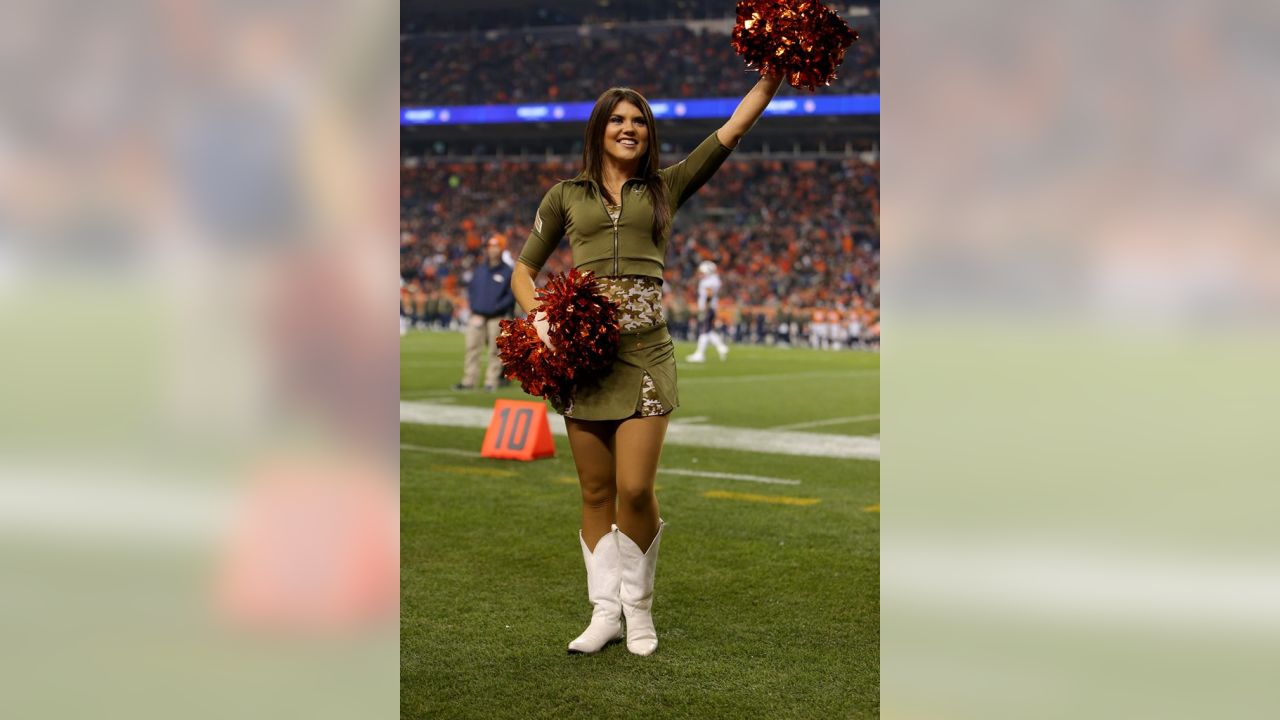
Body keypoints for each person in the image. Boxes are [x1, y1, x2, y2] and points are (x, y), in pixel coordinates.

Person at [512, 75, 783, 656]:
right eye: (618, 119)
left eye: (638, 121)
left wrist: (772, 76)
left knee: (634, 489)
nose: (629, 128)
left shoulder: (666, 186)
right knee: (594, 490)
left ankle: (639, 612)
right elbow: (523, 271)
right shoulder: (564, 195)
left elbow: (733, 129)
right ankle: (604, 613)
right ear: (599, 129)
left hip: (646, 354)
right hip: (584, 359)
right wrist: (542, 320)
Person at [454, 234, 514, 391]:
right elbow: (472, 290)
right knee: (471, 349)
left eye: (496, 246)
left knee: (495, 351)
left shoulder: (508, 271)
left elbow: (511, 295)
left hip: (497, 316)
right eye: (490, 246)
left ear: (502, 249)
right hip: (477, 316)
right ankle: (469, 381)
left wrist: (496, 308)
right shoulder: (480, 269)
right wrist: (475, 309)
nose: (492, 249)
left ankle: (491, 381)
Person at [686, 259, 729, 362]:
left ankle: (700, 354)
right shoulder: (715, 279)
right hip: (711, 308)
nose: (701, 274)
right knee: (708, 330)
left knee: (704, 331)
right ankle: (721, 347)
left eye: (703, 272)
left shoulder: (709, 281)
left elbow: (709, 295)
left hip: (708, 308)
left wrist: (705, 308)